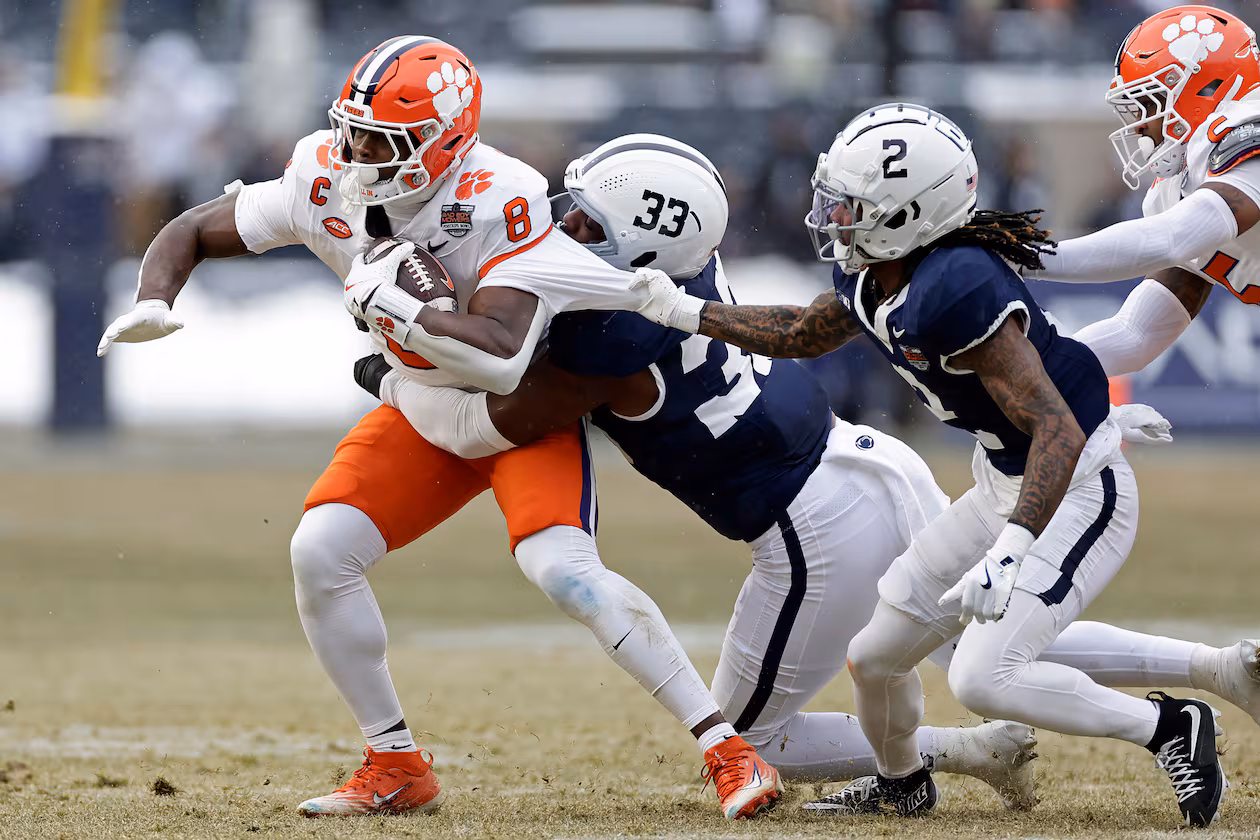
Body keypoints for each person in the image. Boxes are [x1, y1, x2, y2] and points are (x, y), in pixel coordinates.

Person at [360, 131, 1260, 819]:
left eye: (586, 221)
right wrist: (691, 307)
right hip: (878, 466)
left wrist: (397, 361)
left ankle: (1124, 730)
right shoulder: (807, 274)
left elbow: (501, 414)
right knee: (934, 648)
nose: (562, 226)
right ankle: (1202, 673)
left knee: (895, 692)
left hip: (830, 514)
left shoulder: (611, 339)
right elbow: (799, 330)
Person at [94, 37, 781, 821]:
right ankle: (394, 761)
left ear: (445, 140)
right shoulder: (325, 175)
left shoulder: (502, 195)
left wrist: (404, 311)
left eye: (379, 140)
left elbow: (500, 355)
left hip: (514, 412)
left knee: (567, 573)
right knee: (320, 552)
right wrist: (156, 297)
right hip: (423, 408)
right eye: (350, 131)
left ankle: (725, 748)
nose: (354, 154)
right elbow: (194, 229)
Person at [624, 103, 1231, 827]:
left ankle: (1168, 728)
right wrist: (684, 313)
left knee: (984, 675)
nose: (832, 217)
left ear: (910, 212)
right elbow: (800, 331)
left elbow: (1057, 431)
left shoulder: (956, 287)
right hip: (1004, 479)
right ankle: (902, 780)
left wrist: (1009, 552)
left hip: (1076, 483)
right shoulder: (881, 270)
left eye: (851, 206)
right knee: (876, 656)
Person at [1027, 5, 1260, 377]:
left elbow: (1174, 237)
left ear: (1207, 86)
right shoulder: (1181, 186)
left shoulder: (1249, 129)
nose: (1139, 126)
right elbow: (1136, 333)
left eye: (1150, 103)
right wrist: (1037, 375)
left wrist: (1025, 255)